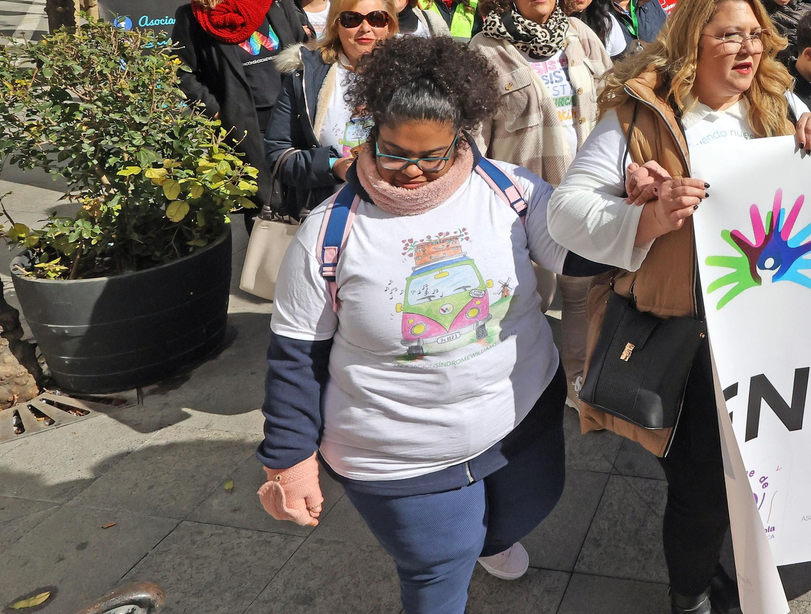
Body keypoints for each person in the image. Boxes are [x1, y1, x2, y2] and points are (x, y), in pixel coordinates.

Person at [257, 36, 606, 614]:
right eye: (394, 153)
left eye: (433, 156)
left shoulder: (510, 189)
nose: (411, 173)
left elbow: (576, 252)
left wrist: (637, 219)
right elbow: (295, 358)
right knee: (439, 565)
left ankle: (490, 537)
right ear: (370, 133)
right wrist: (289, 459)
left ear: (463, 137)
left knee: (524, 511)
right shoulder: (327, 232)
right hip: (395, 454)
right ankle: (461, 550)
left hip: (519, 419)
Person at [549, 0, 811, 614]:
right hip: (692, 333)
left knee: (760, 471)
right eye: (728, 34)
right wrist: (645, 216)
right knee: (701, 483)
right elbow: (564, 214)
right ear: (689, 42)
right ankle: (690, 593)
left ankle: (737, 571)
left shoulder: (776, 105)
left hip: (769, 328)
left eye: (755, 34)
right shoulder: (639, 117)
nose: (747, 48)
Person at [470, 0, 612, 404]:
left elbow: (612, 102)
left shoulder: (580, 35)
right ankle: (513, 386)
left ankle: (577, 387)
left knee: (579, 296)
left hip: (586, 192)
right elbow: (473, 140)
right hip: (523, 200)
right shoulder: (484, 51)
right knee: (529, 300)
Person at [171, 0, 306, 214]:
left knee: (302, 192)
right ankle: (266, 257)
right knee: (263, 203)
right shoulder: (193, 17)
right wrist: (216, 111)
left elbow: (304, 52)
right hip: (242, 120)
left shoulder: (278, 4)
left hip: (289, 114)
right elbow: (181, 71)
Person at [265, 0, 400, 215]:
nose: (365, 28)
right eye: (352, 19)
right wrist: (332, 166)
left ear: (388, 25)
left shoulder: (412, 73)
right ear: (336, 26)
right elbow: (279, 152)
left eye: (376, 18)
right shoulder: (304, 75)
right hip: (329, 209)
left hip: (398, 206)